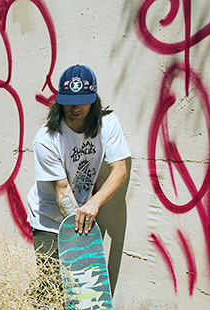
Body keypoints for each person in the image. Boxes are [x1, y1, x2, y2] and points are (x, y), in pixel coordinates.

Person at [26, 64, 131, 295]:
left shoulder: (108, 123)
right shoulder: (46, 139)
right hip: (48, 218)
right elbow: (62, 190)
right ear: (60, 101)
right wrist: (80, 232)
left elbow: (120, 170)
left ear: (94, 99)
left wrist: (94, 202)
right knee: (53, 290)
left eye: (83, 100)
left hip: (84, 212)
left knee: (83, 293)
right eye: (69, 100)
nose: (75, 107)